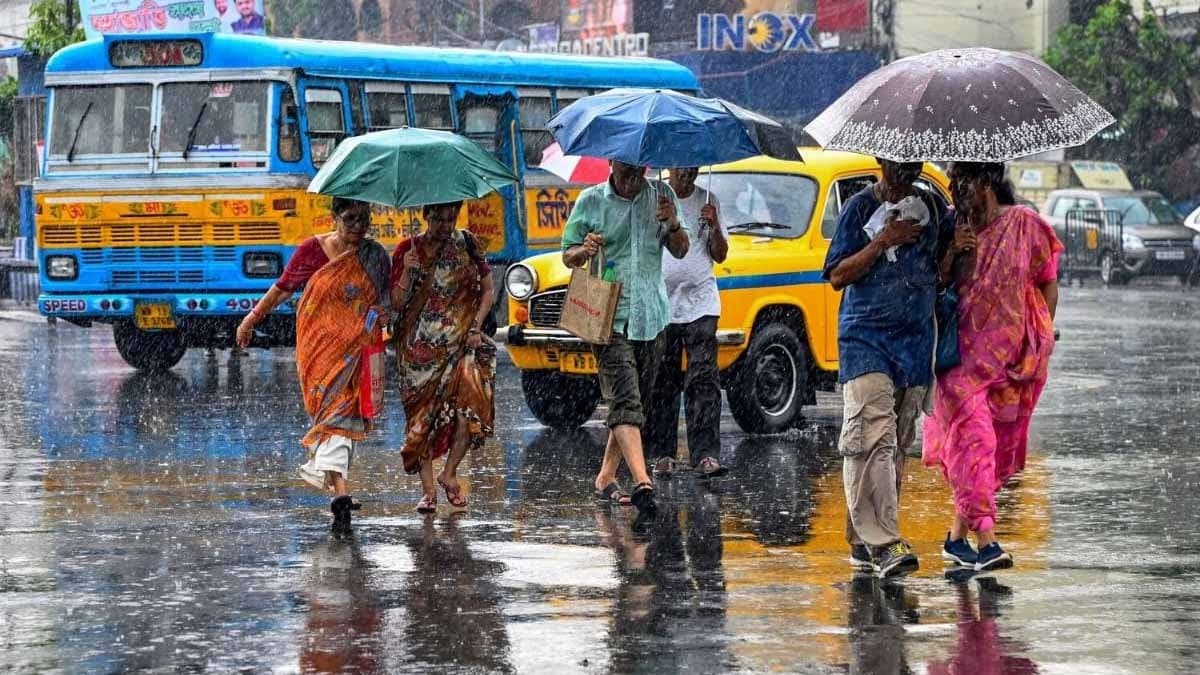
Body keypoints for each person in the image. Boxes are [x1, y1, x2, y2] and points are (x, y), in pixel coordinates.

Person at [923, 162, 1061, 572]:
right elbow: (932, 285)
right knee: (977, 441)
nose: (954, 190)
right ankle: (987, 541)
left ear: (984, 182)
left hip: (1010, 362)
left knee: (987, 453)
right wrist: (952, 253)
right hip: (958, 360)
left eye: (961, 182)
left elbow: (1046, 280)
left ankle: (955, 539)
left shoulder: (1024, 225)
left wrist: (1042, 335)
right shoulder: (949, 228)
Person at [823, 158, 951, 578]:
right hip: (866, 341)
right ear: (881, 160)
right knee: (869, 437)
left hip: (913, 345)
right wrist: (882, 240)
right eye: (899, 162)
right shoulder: (858, 209)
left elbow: (939, 275)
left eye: (914, 162)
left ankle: (863, 536)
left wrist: (957, 250)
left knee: (892, 445)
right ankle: (885, 541)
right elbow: (838, 275)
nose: (907, 169)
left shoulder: (932, 209)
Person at [236, 197, 390, 537]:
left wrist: (384, 319)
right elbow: (282, 290)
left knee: (342, 419)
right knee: (332, 419)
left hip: (357, 349)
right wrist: (251, 319)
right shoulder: (312, 250)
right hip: (319, 350)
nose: (357, 226)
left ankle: (341, 494)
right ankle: (341, 492)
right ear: (334, 218)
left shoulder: (375, 257)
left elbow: (386, 301)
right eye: (350, 218)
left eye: (364, 219)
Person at [562, 160, 689, 530]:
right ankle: (643, 482)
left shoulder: (661, 196)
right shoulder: (590, 201)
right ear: (612, 163)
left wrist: (673, 223)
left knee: (635, 403)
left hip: (652, 316)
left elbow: (681, 250)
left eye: (639, 166)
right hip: (608, 317)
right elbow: (568, 254)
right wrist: (583, 250)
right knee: (625, 401)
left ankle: (605, 476)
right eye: (626, 166)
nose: (633, 173)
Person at [392, 201, 496, 514]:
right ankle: (427, 492)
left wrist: (476, 326)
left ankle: (449, 473)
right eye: (438, 218)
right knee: (422, 421)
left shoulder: (468, 243)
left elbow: (488, 290)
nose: (445, 225)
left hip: (463, 345)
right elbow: (397, 303)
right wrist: (408, 272)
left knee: (470, 410)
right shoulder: (407, 250)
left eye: (450, 218)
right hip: (418, 351)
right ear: (425, 216)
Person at [645, 167, 730, 479]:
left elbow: (720, 256)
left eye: (693, 167)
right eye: (681, 167)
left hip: (702, 302)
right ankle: (662, 454)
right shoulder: (653, 198)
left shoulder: (709, 200)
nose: (688, 173)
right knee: (661, 382)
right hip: (662, 303)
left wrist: (714, 226)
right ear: (670, 167)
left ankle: (706, 454)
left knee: (703, 380)